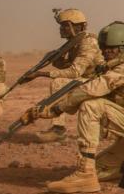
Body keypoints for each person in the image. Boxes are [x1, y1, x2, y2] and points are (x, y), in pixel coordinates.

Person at [20, 21, 124, 193]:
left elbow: (91, 89)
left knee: (91, 105)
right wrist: (40, 110)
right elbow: (87, 87)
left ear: (123, 48)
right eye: (102, 47)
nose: (104, 52)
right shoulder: (116, 67)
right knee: (99, 169)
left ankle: (85, 174)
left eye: (109, 48)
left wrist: (55, 110)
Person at [28, 8, 104, 143]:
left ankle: (58, 130)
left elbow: (75, 72)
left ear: (78, 26)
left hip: (97, 81)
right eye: (61, 26)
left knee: (58, 83)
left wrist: (41, 74)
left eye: (65, 26)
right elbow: (67, 67)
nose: (61, 29)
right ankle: (58, 129)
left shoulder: (88, 42)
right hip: (86, 80)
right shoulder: (74, 42)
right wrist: (57, 58)